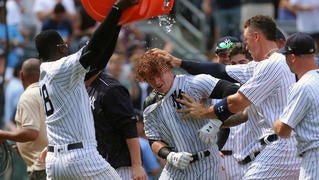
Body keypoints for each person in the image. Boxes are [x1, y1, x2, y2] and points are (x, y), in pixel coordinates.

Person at [151, 15, 301, 179]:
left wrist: (205, 112)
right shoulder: (266, 64)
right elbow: (220, 71)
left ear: (256, 36)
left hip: (279, 147)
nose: (247, 46)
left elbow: (236, 102)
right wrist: (178, 62)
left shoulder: (272, 64)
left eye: (246, 39)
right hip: (277, 148)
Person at [34, 0, 138, 179]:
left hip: (55, 161)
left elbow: (99, 60)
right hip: (80, 157)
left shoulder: (47, 74)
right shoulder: (60, 68)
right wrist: (115, 10)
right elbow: (93, 49)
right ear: (60, 48)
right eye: (65, 46)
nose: (67, 49)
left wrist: (117, 22)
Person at [134, 50, 240, 179]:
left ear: (168, 67)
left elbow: (233, 90)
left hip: (207, 163)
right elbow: (153, 140)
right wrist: (170, 156)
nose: (157, 82)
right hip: (175, 167)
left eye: (158, 74)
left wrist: (215, 121)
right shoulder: (149, 104)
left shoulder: (193, 83)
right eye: (151, 79)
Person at [85, 70, 147, 180]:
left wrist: (136, 165)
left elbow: (129, 127)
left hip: (121, 167)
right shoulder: (86, 86)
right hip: (101, 165)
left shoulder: (111, 88)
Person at [274, 32, 319, 179]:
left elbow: (283, 130)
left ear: (292, 57)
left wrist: (275, 122)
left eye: (286, 56)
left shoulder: (303, 85)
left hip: (315, 158)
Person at [0, 58, 47, 180]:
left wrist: (4, 134)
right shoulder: (48, 92)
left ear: (21, 75)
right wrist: (22, 146)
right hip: (51, 163)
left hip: (41, 168)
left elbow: (31, 133)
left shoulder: (28, 95)